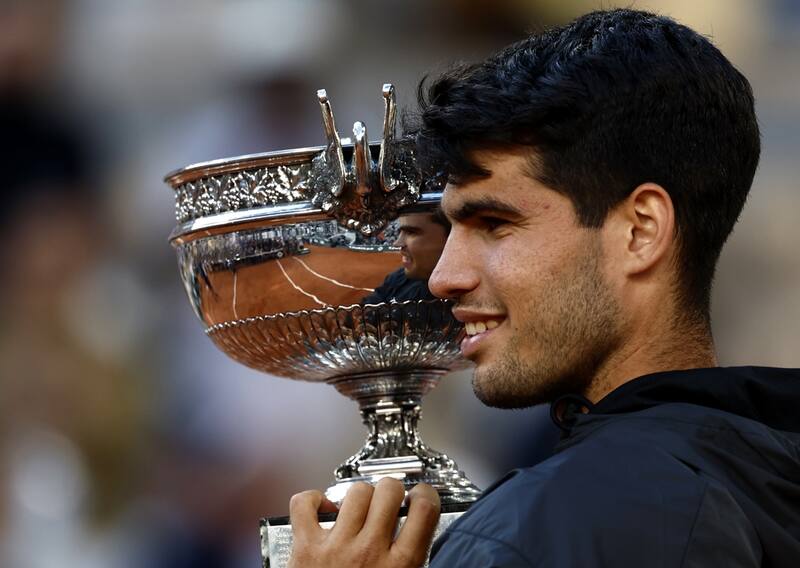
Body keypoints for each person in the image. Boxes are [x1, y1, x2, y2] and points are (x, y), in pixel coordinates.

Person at [288, 8, 800, 567]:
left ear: (640, 231)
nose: (442, 278)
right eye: (452, 227)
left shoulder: (546, 525)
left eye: (495, 224)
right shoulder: (768, 477)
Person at [361, 210, 450, 305]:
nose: (397, 243)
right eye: (400, 232)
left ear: (451, 238)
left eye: (411, 232)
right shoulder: (397, 278)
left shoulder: (462, 309)